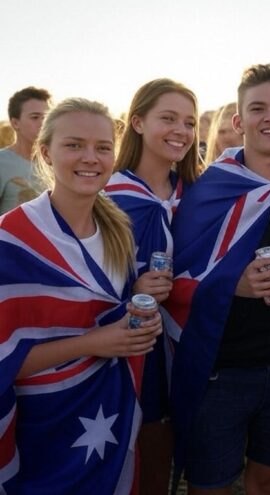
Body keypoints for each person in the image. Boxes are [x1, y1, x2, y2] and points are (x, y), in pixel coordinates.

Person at [164, 63, 270, 495]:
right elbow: (170, 280)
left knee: (268, 478)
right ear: (238, 121)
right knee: (210, 483)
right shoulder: (209, 190)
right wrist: (231, 284)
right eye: (257, 108)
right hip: (223, 370)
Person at [0, 98, 162, 493]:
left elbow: (108, 313)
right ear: (45, 152)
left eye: (103, 147)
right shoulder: (11, 240)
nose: (90, 158)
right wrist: (95, 343)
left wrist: (138, 318)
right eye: (74, 145)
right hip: (42, 429)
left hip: (108, 414)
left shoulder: (117, 228)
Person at [105, 78, 202, 495]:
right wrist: (134, 287)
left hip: (189, 344)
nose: (181, 130)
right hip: (128, 352)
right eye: (168, 118)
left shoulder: (200, 195)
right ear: (138, 122)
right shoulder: (107, 195)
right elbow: (83, 281)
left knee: (166, 455)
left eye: (189, 122)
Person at [0, 86, 51, 214]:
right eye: (35, 117)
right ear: (15, 123)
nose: (43, 123)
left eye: (47, 117)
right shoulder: (2, 162)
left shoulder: (58, 164)